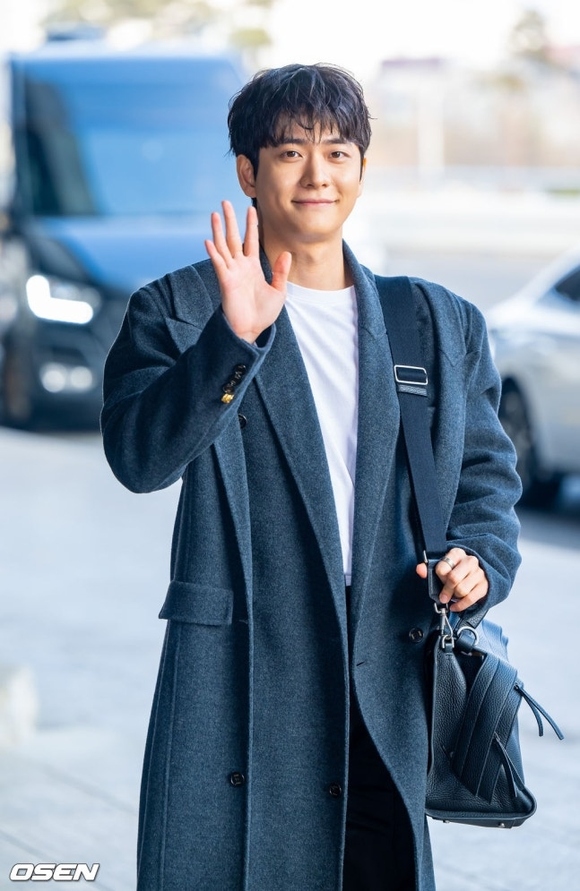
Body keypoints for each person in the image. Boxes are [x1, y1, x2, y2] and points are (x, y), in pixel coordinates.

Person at [101, 64, 522, 891]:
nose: (317, 174)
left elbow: (485, 478)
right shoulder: (177, 309)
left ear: (361, 168)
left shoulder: (435, 321)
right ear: (247, 171)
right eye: (291, 152)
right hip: (237, 675)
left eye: (337, 152)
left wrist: (479, 561)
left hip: (388, 671)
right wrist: (231, 340)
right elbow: (139, 460)